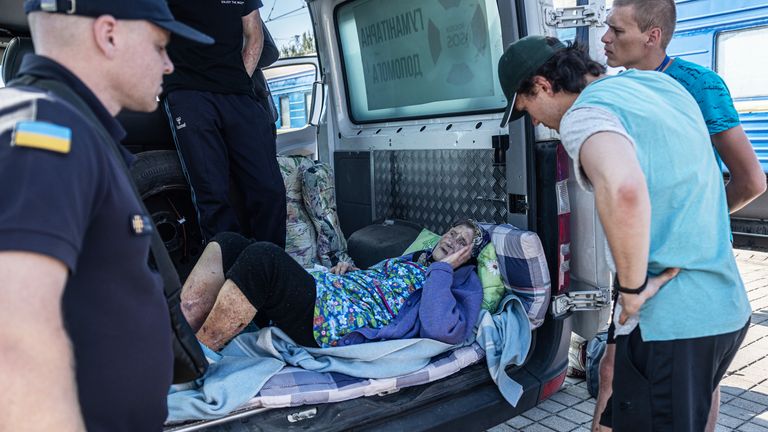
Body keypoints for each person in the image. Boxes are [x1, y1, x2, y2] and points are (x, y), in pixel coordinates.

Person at [498, 36, 751, 432]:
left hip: (672, 321)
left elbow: (624, 189)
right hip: (725, 310)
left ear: (544, 85)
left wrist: (631, 291)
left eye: (526, 108)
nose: (533, 122)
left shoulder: (583, 115)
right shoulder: (659, 85)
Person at [0, 1, 212, 431]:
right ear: (109, 35)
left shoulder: (74, 130)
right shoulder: (45, 133)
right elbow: (15, 343)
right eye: (159, 45)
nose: (169, 64)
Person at [595, 1, 766, 430]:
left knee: (698, 385)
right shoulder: (620, 88)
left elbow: (750, 180)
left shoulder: (699, 84)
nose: (604, 39)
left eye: (616, 30)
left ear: (652, 36)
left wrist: (693, 225)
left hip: (687, 266)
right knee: (612, 370)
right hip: (639, 262)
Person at [180, 220, 489, 351]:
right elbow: (377, 284)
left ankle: (199, 356)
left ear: (469, 258)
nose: (452, 241)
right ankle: (182, 333)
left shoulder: (460, 283)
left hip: (330, 322)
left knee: (264, 259)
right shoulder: (413, 260)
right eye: (451, 233)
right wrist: (350, 272)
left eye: (463, 243)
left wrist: (443, 270)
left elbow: (441, 328)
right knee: (229, 242)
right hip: (332, 293)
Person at [162, 0, 287, 247]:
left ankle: (270, 269)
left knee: (270, 190)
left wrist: (241, 76)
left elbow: (254, 33)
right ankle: (230, 274)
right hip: (188, 94)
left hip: (239, 93)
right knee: (212, 195)